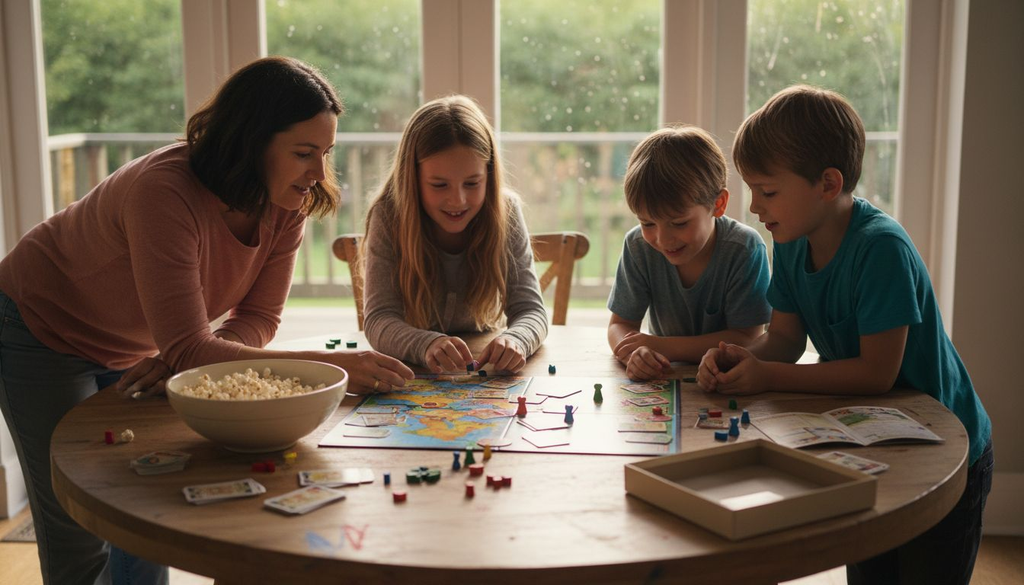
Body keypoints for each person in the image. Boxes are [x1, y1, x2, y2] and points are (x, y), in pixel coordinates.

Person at [0, 56, 413, 585]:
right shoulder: (163, 192)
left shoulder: (288, 201)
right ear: (250, 143)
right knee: (79, 528)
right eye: (304, 153)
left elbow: (258, 316)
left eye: (326, 152)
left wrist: (180, 351)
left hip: (138, 345)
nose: (319, 173)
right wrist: (331, 366)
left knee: (143, 505)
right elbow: (193, 352)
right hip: (42, 326)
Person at [697, 85, 992, 584]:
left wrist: (766, 374)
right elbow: (785, 341)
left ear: (828, 184)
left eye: (767, 191)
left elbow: (878, 374)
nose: (753, 207)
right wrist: (738, 358)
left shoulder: (881, 250)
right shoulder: (789, 240)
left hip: (943, 446)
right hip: (871, 439)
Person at [361, 95, 548, 376]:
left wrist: (517, 339)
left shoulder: (505, 211)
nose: (458, 200)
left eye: (472, 183)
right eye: (439, 185)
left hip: (481, 374)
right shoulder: (388, 216)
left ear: (489, 175)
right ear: (412, 179)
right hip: (412, 377)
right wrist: (426, 344)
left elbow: (531, 310)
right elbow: (378, 319)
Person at [607, 126, 771, 380]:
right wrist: (634, 353)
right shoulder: (638, 246)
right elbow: (620, 324)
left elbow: (748, 337)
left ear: (718, 204)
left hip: (727, 381)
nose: (662, 239)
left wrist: (663, 347)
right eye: (647, 223)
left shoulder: (744, 249)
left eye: (679, 223)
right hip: (664, 381)